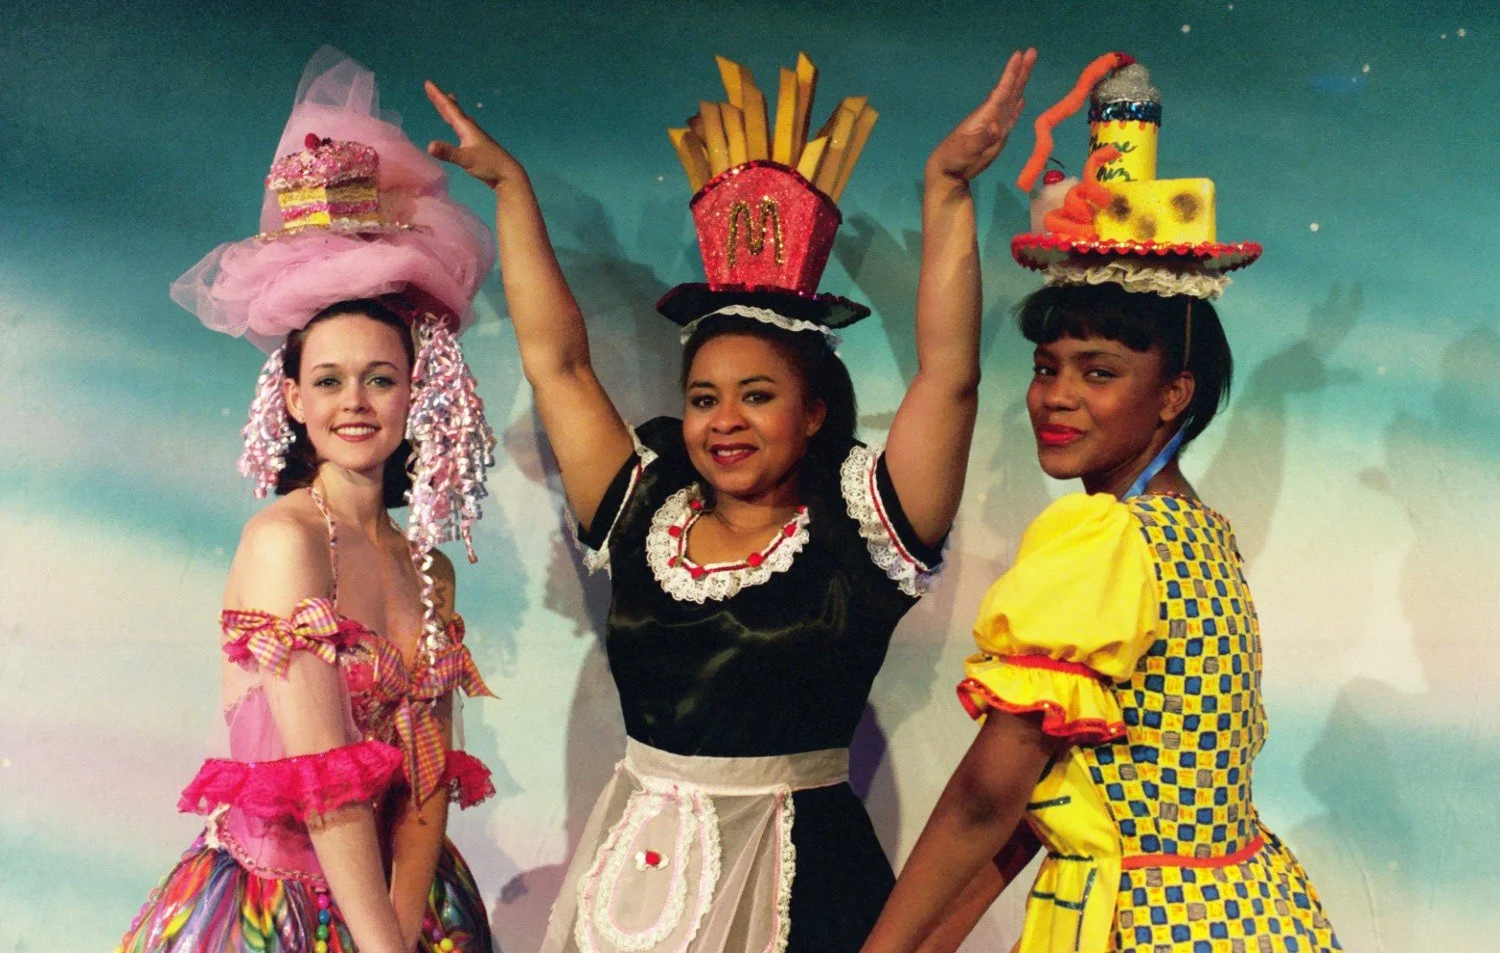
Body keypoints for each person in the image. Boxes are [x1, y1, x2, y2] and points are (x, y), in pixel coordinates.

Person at [425, 47, 1036, 952]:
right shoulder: (643, 505)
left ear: (814, 409)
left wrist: (946, 191)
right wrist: (511, 189)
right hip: (634, 879)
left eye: (758, 395)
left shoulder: (862, 525)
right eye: (705, 398)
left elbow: (949, 378)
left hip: (804, 886)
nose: (724, 422)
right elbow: (557, 363)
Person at [862, 55, 1341, 953]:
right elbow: (1053, 797)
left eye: (1100, 373)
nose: (1056, 396)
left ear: (1174, 394)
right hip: (1242, 914)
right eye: (1048, 369)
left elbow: (984, 797)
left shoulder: (1104, 539)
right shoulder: (1198, 532)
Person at [118, 49, 501, 953]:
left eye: (379, 378)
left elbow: (428, 780)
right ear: (292, 398)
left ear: (416, 392)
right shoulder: (285, 540)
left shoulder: (428, 565)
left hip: (401, 908)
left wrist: (408, 927)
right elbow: (328, 790)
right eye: (328, 381)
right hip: (277, 905)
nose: (354, 403)